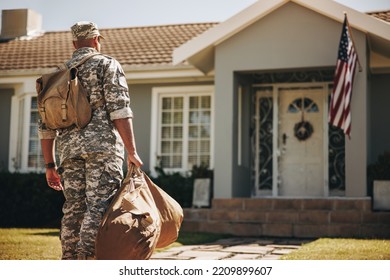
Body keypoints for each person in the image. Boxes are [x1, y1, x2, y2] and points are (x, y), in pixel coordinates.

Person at [38, 21, 143, 260]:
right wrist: (132, 151)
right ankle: (88, 262)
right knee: (99, 206)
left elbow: (45, 125)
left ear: (74, 43)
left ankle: (70, 260)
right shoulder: (107, 65)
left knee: (74, 209)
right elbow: (120, 110)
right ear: (97, 39)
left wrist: (50, 166)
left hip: (68, 153)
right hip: (103, 150)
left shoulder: (57, 75)